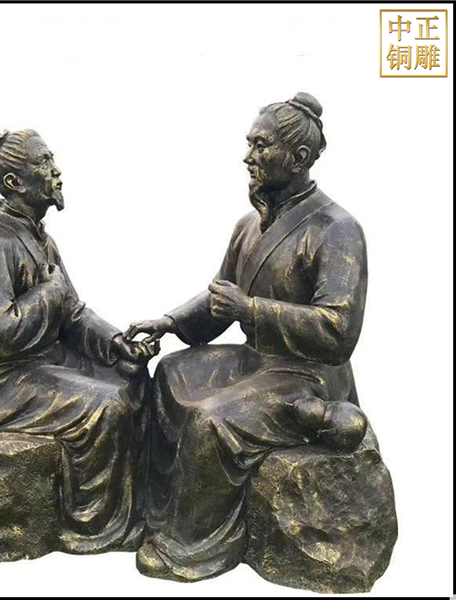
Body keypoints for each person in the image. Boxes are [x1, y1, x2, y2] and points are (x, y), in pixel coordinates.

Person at [124, 93, 369, 582]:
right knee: (169, 373)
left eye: (261, 146)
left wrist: (251, 310)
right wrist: (169, 322)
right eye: (250, 144)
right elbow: (221, 297)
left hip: (307, 374)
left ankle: (194, 544)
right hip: (257, 359)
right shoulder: (249, 226)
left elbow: (338, 331)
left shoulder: (337, 229)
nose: (248, 157)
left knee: (211, 421)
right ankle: (160, 511)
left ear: (298, 158)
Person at [0, 129, 159, 555]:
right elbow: (0, 332)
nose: (56, 171)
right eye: (44, 162)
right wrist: (48, 292)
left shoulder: (40, 239)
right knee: (109, 406)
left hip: (43, 361)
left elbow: (73, 313)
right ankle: (93, 524)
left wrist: (117, 344)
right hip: (2, 382)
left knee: (134, 379)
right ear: (14, 182)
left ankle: (133, 505)